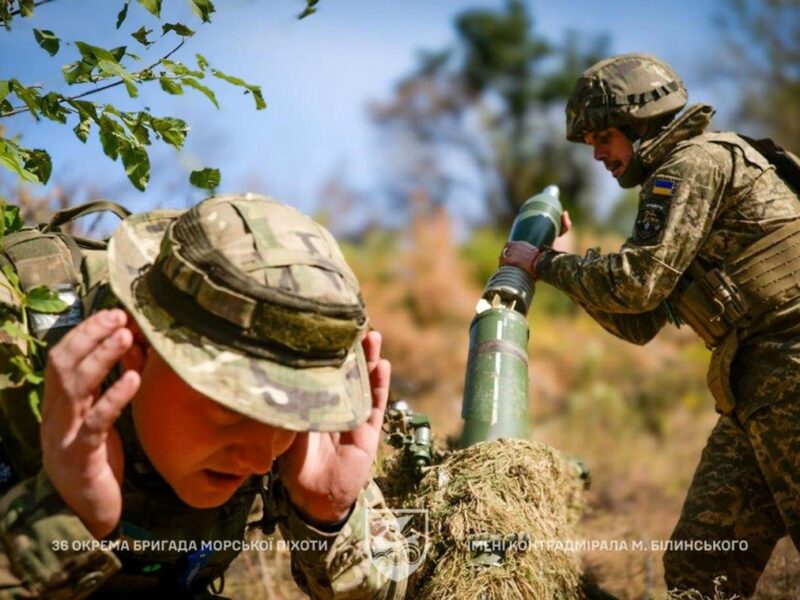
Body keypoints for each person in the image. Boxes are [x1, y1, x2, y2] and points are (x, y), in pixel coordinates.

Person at [0, 193, 408, 598]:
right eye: (233, 408)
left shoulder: (301, 414)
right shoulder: (12, 334)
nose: (259, 458)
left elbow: (396, 584)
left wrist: (329, 516)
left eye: (287, 421)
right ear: (138, 348)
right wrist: (61, 519)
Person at [500, 53, 800, 596]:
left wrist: (540, 264)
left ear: (641, 125)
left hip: (789, 370)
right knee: (702, 566)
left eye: (604, 136)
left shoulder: (692, 165)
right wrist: (565, 263)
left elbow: (637, 283)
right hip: (756, 383)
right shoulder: (681, 176)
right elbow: (639, 322)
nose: (597, 154)